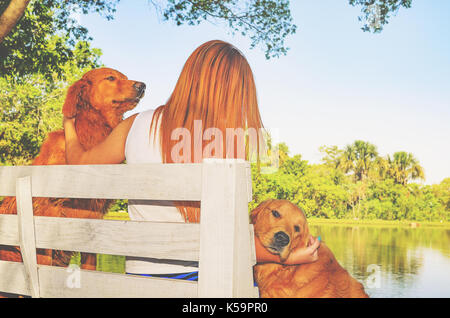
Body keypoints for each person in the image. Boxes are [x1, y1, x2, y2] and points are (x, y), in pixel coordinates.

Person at [63, 40, 320, 280]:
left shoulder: (134, 125)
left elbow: (80, 164)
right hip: (201, 281)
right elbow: (226, 243)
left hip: (141, 279)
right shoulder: (222, 146)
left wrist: (68, 123)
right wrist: (290, 257)